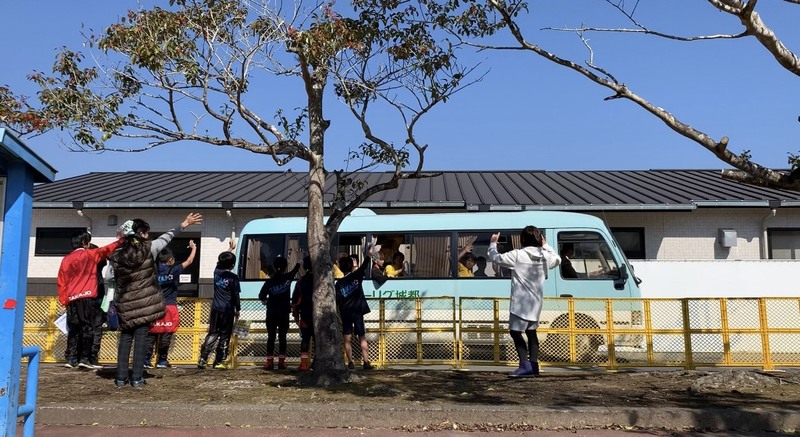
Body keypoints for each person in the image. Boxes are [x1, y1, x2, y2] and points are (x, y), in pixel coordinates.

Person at [110, 213, 202, 388]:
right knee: (141, 339)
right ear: (142, 233)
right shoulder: (149, 248)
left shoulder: (118, 254)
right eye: (146, 233)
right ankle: (137, 378)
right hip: (145, 303)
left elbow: (109, 276)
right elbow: (166, 238)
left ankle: (121, 378)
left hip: (125, 302)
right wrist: (183, 224)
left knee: (125, 339)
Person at [488, 226, 560, 378]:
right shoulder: (544, 256)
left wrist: (493, 243)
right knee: (531, 333)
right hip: (536, 303)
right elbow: (557, 259)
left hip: (520, 304)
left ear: (522, 240)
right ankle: (534, 366)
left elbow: (496, 258)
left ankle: (524, 365)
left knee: (515, 332)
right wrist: (546, 245)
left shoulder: (518, 255)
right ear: (539, 239)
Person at [57, 231, 121, 370]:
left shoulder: (66, 259)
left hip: (72, 298)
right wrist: (121, 240)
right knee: (88, 328)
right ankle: (85, 358)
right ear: (84, 243)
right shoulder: (89, 254)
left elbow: (61, 281)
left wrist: (64, 300)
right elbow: (107, 249)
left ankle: (72, 358)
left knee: (74, 328)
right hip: (87, 296)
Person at [144, 241, 197, 368]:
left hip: (154, 306)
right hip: (170, 306)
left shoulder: (152, 271)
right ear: (171, 260)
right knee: (166, 333)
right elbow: (189, 261)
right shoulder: (174, 270)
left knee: (151, 333)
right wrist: (194, 248)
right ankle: (162, 360)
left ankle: (146, 360)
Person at [336, 242, 380, 370]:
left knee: (347, 338)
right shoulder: (356, 276)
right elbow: (365, 265)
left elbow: (337, 299)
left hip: (345, 313)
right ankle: (366, 362)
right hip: (358, 312)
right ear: (350, 267)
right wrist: (369, 255)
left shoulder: (339, 284)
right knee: (362, 337)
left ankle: (350, 362)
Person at [198, 250, 241, 370]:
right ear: (233, 265)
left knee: (212, 333)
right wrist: (238, 309)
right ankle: (218, 361)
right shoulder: (233, 278)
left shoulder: (216, 273)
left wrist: (229, 249)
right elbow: (236, 295)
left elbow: (219, 262)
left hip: (215, 308)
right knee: (224, 335)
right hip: (227, 310)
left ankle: (203, 359)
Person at [259, 256, 301, 370]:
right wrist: (299, 262)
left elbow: (261, 296)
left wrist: (267, 301)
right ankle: (281, 362)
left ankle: (269, 362)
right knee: (283, 337)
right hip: (284, 312)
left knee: (271, 337)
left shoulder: (269, 281)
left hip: (271, 312)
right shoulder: (288, 278)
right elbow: (295, 270)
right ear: (285, 267)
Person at [291, 256, 314, 371]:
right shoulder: (321, 280)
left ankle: (304, 364)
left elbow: (296, 301)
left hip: (305, 314)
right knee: (317, 340)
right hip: (319, 316)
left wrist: (296, 316)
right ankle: (316, 362)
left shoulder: (301, 282)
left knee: (305, 339)